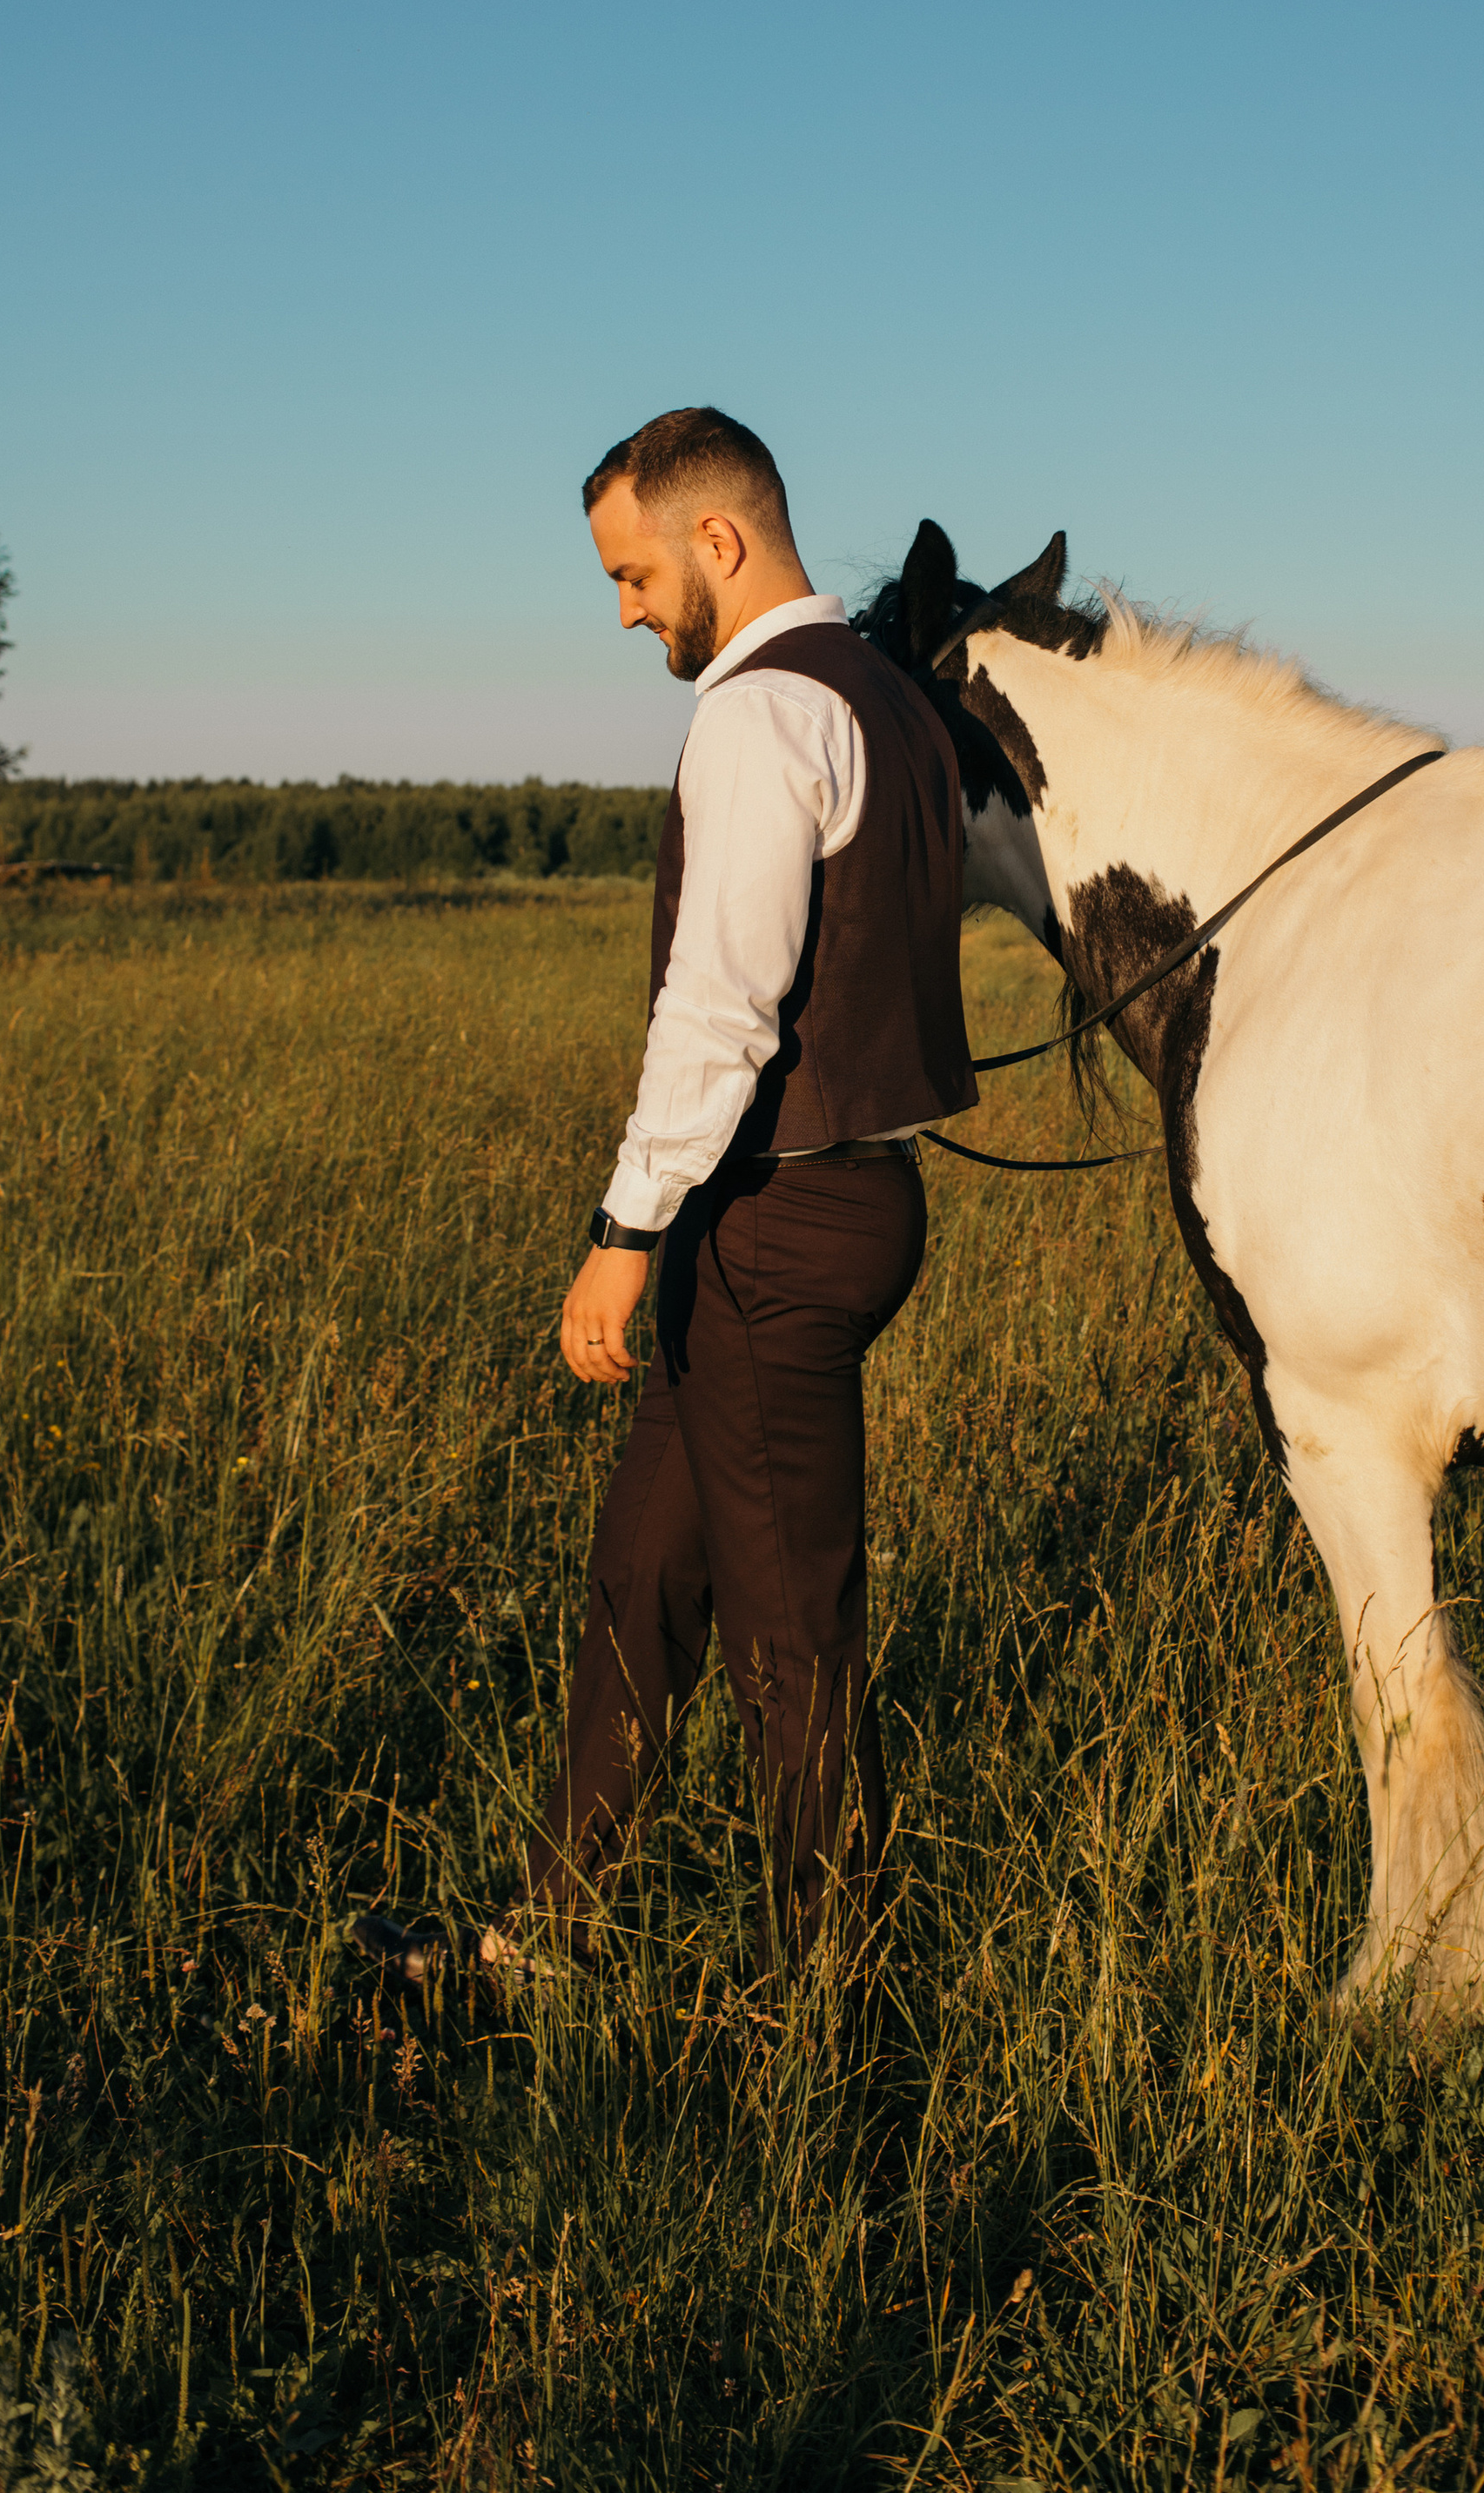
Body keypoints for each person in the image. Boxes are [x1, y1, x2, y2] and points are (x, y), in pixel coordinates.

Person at [358, 404, 976, 1997]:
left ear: (719, 538)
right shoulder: (897, 704)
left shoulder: (761, 714)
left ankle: (829, 2015)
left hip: (772, 1221)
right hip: (816, 1207)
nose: (625, 609)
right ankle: (547, 1938)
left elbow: (723, 1009)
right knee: (644, 1575)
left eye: (634, 574)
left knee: (794, 1642)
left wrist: (622, 1237)